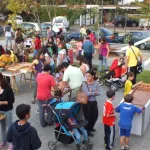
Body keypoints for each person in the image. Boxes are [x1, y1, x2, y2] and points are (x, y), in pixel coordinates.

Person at [82, 70, 100, 137]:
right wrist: (94, 92)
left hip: (93, 101)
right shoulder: (84, 83)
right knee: (88, 118)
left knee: (95, 116)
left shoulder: (96, 83)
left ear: (93, 76)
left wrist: (91, 92)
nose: (87, 77)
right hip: (86, 103)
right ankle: (87, 131)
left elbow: (99, 93)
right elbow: (87, 93)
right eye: (86, 76)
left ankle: (90, 127)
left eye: (89, 76)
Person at [0, 74, 15, 149]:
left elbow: (12, 101)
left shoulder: (8, 88)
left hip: (8, 110)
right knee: (2, 127)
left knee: (9, 127)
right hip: (0, 111)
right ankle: (4, 141)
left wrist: (2, 102)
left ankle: (12, 143)